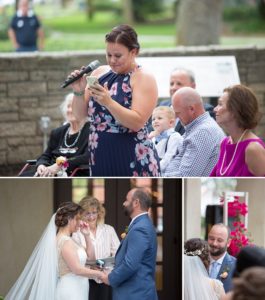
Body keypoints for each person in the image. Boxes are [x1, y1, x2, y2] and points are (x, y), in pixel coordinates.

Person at [70, 24, 160, 176]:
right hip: (99, 151)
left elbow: (137, 122)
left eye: (118, 56)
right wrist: (78, 92)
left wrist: (109, 102)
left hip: (131, 153)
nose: (112, 60)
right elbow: (80, 116)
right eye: (108, 55)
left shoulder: (143, 78)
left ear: (134, 51)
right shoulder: (99, 72)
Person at [5, 202, 103, 300]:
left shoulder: (71, 240)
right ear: (69, 219)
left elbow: (91, 258)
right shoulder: (65, 241)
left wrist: (87, 235)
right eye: (78, 219)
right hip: (71, 289)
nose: (81, 223)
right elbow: (77, 269)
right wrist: (100, 274)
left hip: (79, 288)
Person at [100, 188, 158, 300]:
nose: (124, 203)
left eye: (127, 200)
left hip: (135, 294)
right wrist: (98, 264)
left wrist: (110, 278)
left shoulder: (140, 228)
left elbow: (130, 264)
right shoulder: (141, 224)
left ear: (136, 203)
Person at [20, 93, 90, 177]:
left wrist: (61, 165)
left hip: (73, 174)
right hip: (50, 172)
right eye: (68, 106)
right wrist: (41, 165)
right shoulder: (58, 132)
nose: (70, 110)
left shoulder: (91, 131)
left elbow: (87, 157)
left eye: (74, 106)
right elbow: (46, 155)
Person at [164, 87, 225, 177]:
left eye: (178, 113)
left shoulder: (202, 133)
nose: (175, 117)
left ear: (192, 109)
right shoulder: (197, 128)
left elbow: (185, 176)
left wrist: (165, 174)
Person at [210, 84, 265, 177]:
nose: (215, 109)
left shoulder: (253, 149)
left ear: (235, 110)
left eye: (220, 104)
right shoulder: (225, 143)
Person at [72, 196, 120, 300]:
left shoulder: (109, 230)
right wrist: (96, 266)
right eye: (87, 213)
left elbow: (118, 256)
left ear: (99, 213)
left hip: (106, 279)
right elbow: (80, 259)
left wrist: (99, 266)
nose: (91, 217)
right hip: (85, 281)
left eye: (94, 212)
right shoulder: (77, 233)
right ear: (81, 214)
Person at [158, 67, 215, 135]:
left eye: (179, 84)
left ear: (193, 86)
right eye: (171, 84)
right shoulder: (161, 106)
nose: (173, 87)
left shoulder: (204, 111)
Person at [148, 106, 183, 175]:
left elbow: (168, 158)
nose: (155, 121)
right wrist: (149, 138)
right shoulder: (154, 137)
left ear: (171, 122)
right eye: (153, 119)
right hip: (156, 170)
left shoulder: (174, 137)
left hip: (169, 172)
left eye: (159, 118)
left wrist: (154, 170)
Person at [207, 224, 236, 293]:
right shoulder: (199, 262)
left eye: (219, 240)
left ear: (228, 242)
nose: (214, 243)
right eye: (211, 238)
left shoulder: (236, 266)